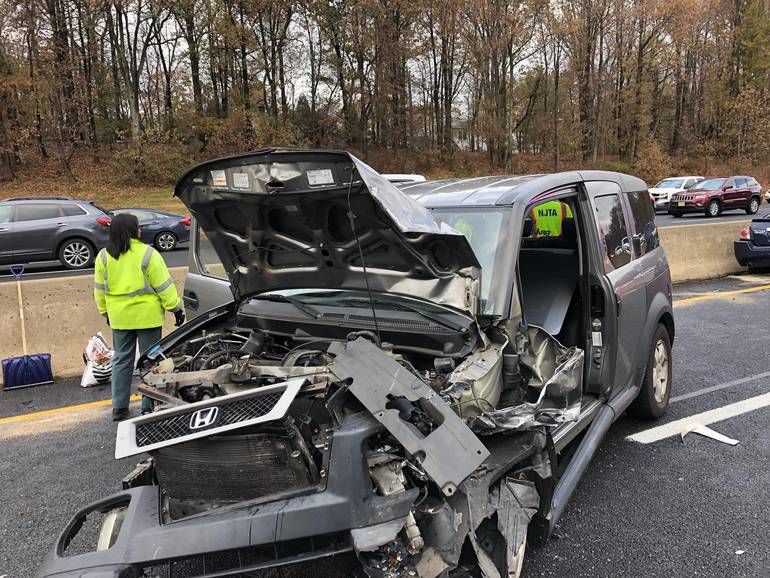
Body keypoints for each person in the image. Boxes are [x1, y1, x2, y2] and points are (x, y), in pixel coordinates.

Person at [94, 213, 184, 421]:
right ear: (133, 230)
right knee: (149, 362)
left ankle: (119, 407)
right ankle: (148, 405)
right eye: (138, 227)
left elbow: (99, 290)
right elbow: (164, 286)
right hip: (148, 317)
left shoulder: (103, 257)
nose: (141, 230)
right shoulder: (148, 254)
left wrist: (105, 312)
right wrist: (176, 309)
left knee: (121, 360)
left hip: (120, 318)